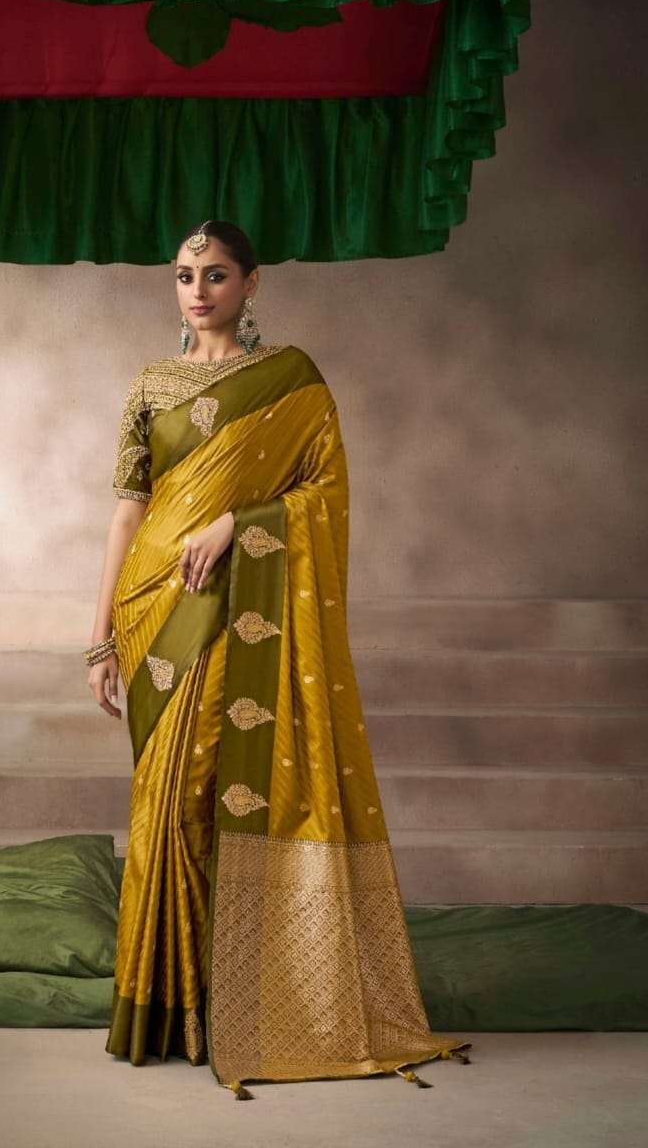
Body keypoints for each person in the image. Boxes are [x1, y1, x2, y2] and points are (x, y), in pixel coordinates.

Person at [86, 219, 471, 1099]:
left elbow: (323, 494)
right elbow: (126, 510)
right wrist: (99, 635)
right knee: (159, 801)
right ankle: (167, 1001)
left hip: (232, 603)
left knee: (202, 788)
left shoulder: (293, 379)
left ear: (250, 284)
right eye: (184, 275)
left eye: (216, 275)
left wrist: (239, 523)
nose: (197, 291)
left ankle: (233, 996)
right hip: (151, 607)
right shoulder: (148, 384)